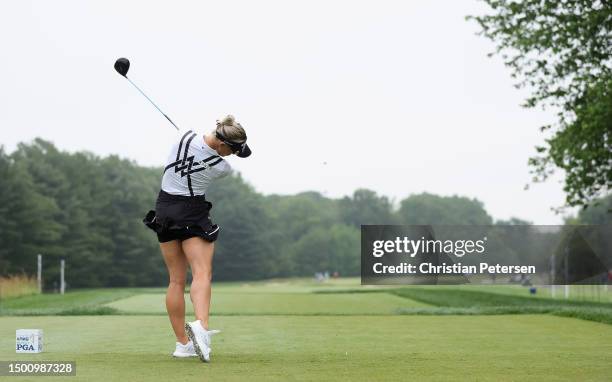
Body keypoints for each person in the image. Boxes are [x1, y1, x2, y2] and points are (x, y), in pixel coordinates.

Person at [143, 115, 251, 362]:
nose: (232, 156)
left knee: (175, 281)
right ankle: (201, 327)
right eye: (233, 151)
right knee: (202, 273)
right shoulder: (221, 167)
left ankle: (183, 344)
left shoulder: (184, 134)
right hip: (191, 210)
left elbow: (195, 142)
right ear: (223, 145)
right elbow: (209, 156)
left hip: (164, 208)